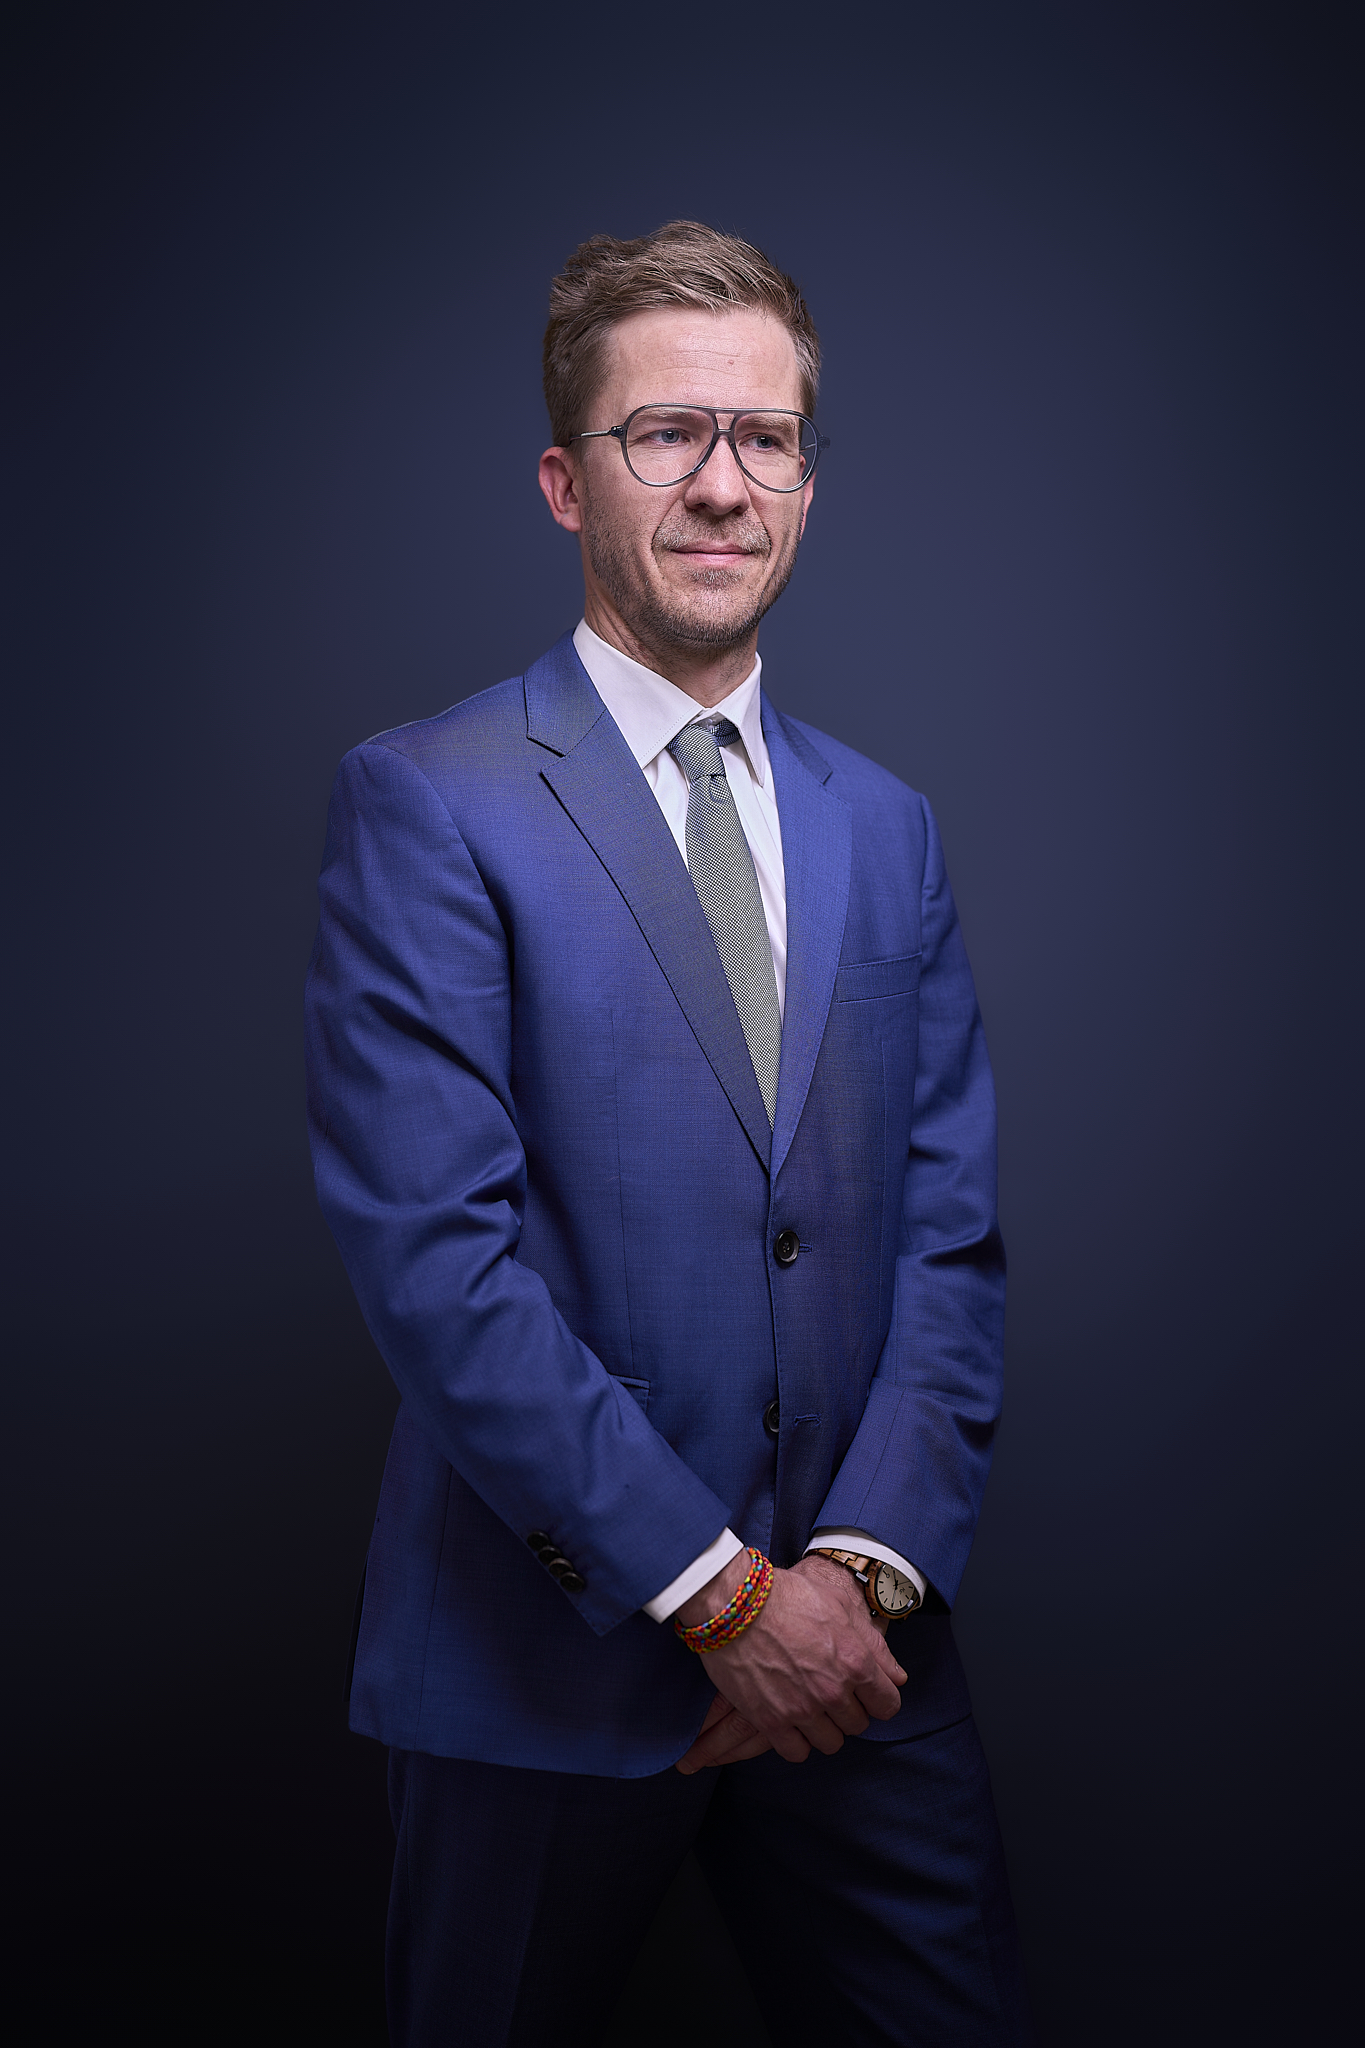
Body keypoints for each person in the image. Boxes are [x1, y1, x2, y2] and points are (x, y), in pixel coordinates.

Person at [305, 219, 1033, 2047]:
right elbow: (437, 1263)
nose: (723, 484)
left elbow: (947, 1235)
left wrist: (850, 1582)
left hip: (863, 1673)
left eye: (764, 438)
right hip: (538, 1671)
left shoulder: (888, 825)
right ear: (568, 481)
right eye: (665, 436)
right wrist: (718, 1601)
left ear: (806, 481)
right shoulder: (428, 799)